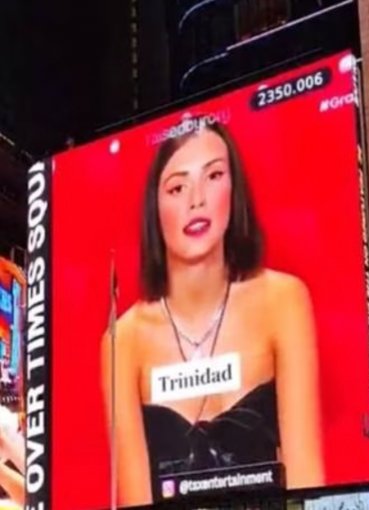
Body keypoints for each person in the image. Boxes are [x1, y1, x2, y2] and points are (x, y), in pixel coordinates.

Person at [101, 119, 324, 505]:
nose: (196, 200)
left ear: (233, 189)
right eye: (177, 187)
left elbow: (307, 481)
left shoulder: (283, 301)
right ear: (156, 207)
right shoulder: (124, 340)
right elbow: (133, 500)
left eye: (214, 175)